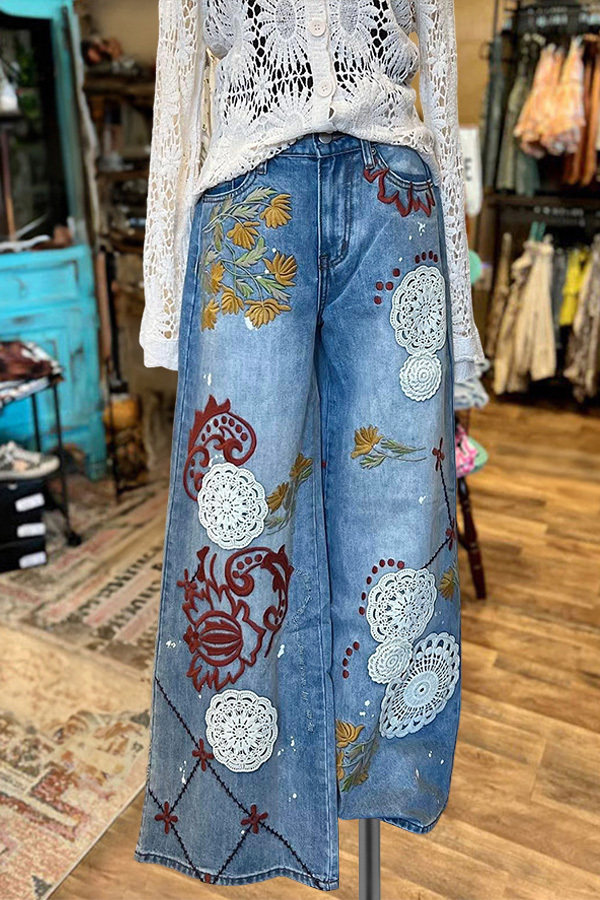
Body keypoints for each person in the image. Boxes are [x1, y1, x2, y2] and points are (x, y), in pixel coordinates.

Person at [136, 1, 483, 890]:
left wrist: (461, 325)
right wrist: (162, 299)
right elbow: (179, 70)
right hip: (249, 193)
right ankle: (246, 814)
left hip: (394, 190)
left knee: (401, 519)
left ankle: (378, 780)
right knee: (234, 528)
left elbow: (439, 71)